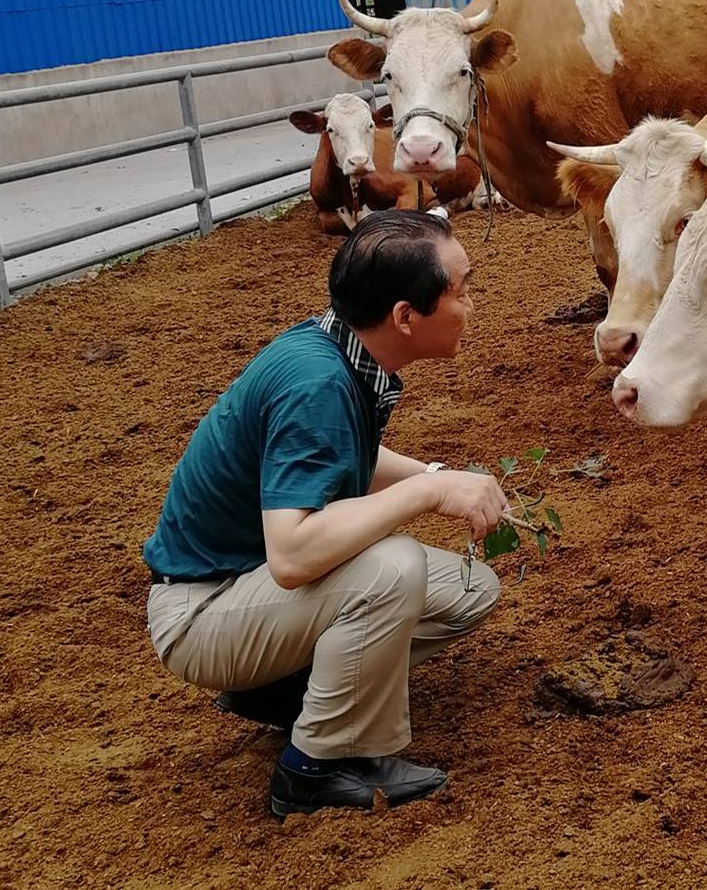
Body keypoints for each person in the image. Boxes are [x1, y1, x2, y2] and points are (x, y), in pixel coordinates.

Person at [143, 209, 507, 817]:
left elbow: (345, 457)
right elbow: (291, 557)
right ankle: (313, 768)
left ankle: (288, 688)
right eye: (462, 288)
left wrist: (439, 477)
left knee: (468, 588)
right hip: (202, 611)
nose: (472, 303)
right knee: (391, 568)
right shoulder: (317, 385)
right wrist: (426, 496)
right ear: (404, 318)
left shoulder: (337, 348)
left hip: (244, 589)